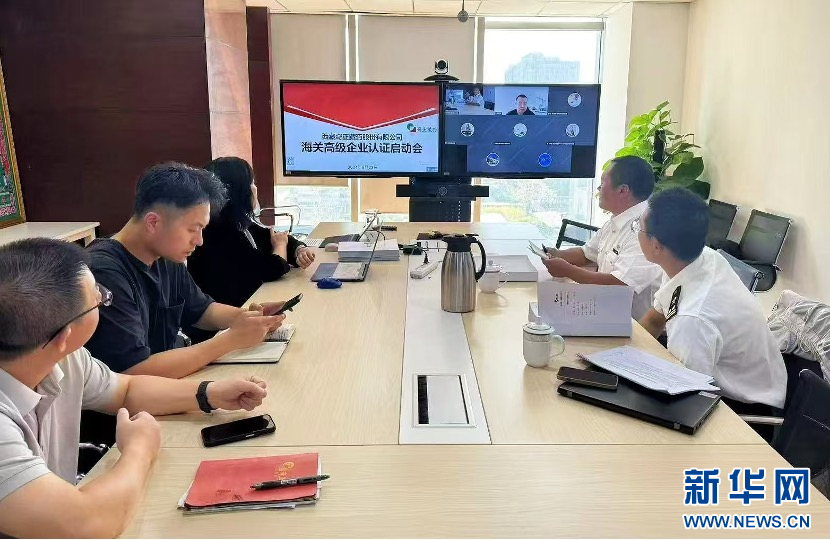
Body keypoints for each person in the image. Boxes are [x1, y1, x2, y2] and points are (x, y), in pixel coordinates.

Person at [0, 238, 270, 538]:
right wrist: (139, 450)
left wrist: (208, 393)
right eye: (99, 298)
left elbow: (125, 389)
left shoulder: (61, 357)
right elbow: (87, 523)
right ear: (65, 336)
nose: (104, 299)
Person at [84, 162, 287, 379]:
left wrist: (248, 317)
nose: (199, 241)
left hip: (169, 382)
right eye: (193, 229)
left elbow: (201, 310)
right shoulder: (103, 273)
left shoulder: (165, 255)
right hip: (137, 395)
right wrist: (230, 340)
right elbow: (134, 371)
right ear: (153, 222)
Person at [636, 188, 787, 420]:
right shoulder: (700, 258)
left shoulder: (694, 318)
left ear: (656, 246)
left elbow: (683, 397)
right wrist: (623, 356)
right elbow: (656, 318)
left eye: (638, 227)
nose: (636, 232)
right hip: (726, 383)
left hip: (743, 412)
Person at [187, 157, 315, 316]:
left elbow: (273, 237)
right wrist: (280, 246)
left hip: (244, 309)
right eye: (252, 183)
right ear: (239, 191)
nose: (255, 188)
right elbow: (271, 269)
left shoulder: (239, 223)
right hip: (226, 319)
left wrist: (299, 250)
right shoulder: (219, 233)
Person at [542, 156, 663, 319]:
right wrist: (556, 254)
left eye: (603, 182)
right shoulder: (616, 221)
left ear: (623, 190)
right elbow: (586, 254)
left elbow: (620, 284)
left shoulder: (645, 227)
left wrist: (568, 270)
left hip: (634, 325)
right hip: (606, 313)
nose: (598, 188)